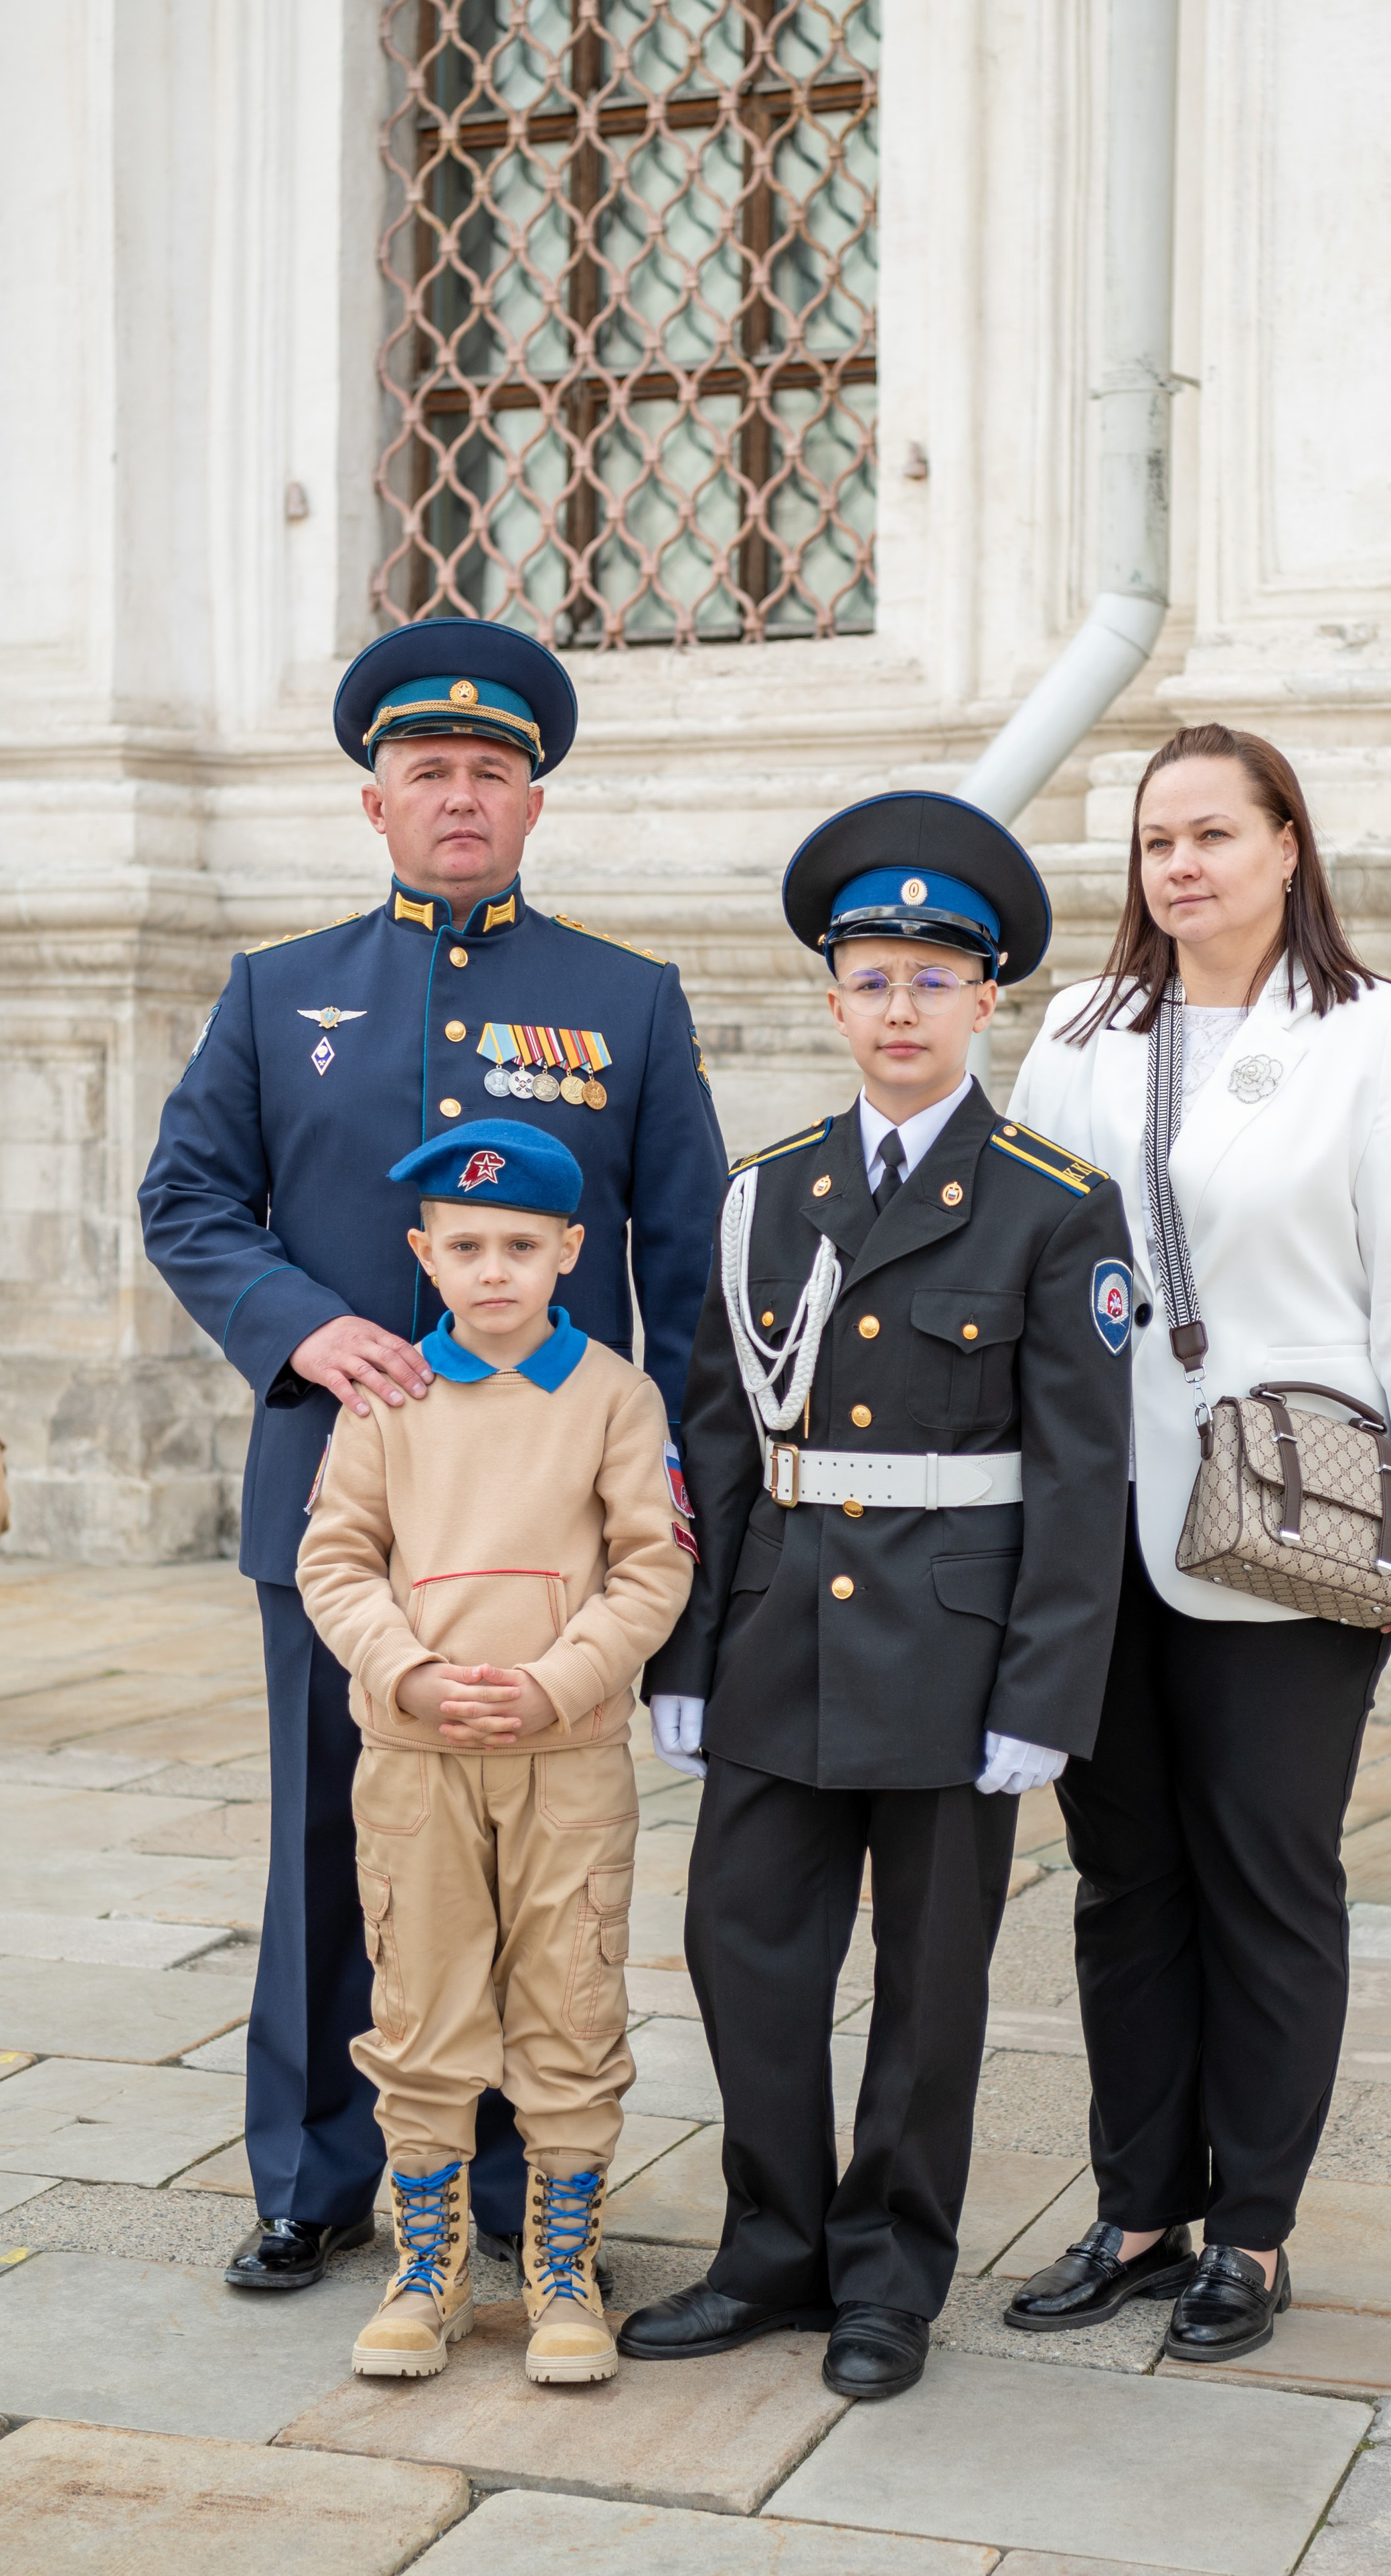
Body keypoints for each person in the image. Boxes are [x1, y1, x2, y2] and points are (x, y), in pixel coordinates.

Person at [139, 619, 726, 2293]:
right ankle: (317, 2173)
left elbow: (680, 1265)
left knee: (529, 1857)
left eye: (488, 774)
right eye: (426, 775)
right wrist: (299, 1325)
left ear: (531, 805)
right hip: (345, 1502)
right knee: (337, 1844)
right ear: (376, 806)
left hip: (550, 1532)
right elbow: (187, 1198)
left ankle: (507, 2176)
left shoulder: (624, 1001)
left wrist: (671, 1504)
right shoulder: (279, 993)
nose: (457, 799)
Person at [619, 792, 1135, 2401]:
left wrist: (1044, 1698)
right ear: (830, 998)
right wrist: (684, 1653)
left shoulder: (1054, 1201)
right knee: (740, 1946)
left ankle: (888, 2272)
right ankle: (769, 2247)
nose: (899, 1007)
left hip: (951, 1653)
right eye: (870, 976)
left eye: (932, 977)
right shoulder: (766, 1193)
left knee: (928, 1985)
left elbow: (1078, 1471)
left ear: (986, 1000)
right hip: (777, 1630)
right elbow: (717, 1430)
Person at [1001, 723, 1391, 2361]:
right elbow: (1019, 1265)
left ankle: (1253, 2232)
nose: (1182, 866)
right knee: (1120, 1877)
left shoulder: (1371, 1035)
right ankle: (1139, 2208)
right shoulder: (1078, 1028)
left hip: (1292, 1521)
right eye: (1156, 843)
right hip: (1091, 1524)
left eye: (1214, 833)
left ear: (1287, 845)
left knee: (1269, 1875)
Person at [296, 1119, 691, 2383]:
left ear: (572, 1249)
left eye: (522, 1245)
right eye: (465, 1246)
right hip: (413, 1759)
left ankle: (561, 2270)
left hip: (565, 1757)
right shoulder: (391, 1397)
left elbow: (654, 1563)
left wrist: (557, 1683)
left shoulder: (616, 1397)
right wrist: (408, 1671)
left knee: (569, 1995)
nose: (494, 1270)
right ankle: (430, 2272)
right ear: (425, 1252)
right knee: (420, 1999)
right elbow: (336, 1558)